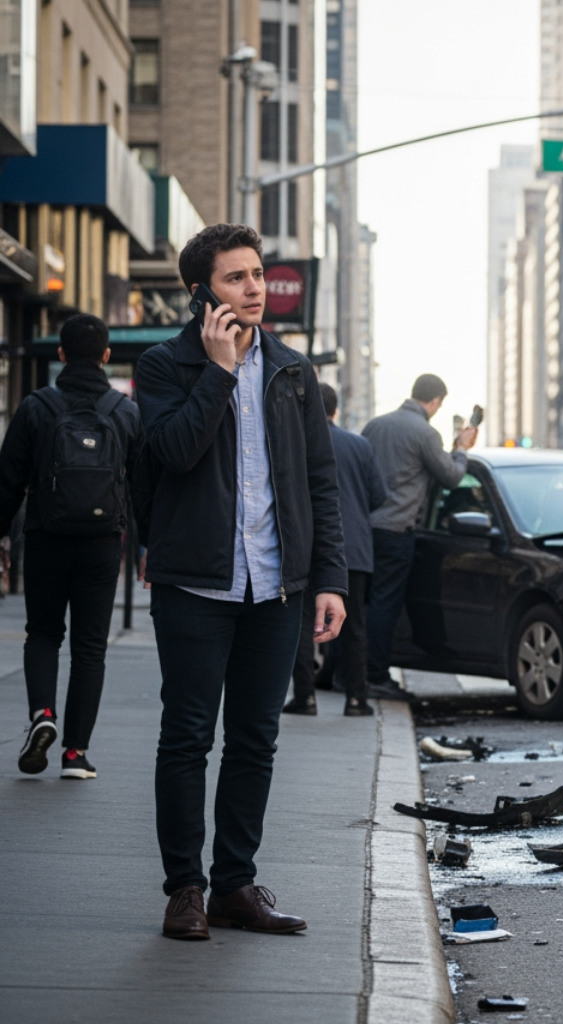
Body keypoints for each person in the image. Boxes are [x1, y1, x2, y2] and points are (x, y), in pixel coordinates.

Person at [136, 223, 347, 940]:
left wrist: (331, 580)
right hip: (195, 585)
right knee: (187, 737)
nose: (255, 288)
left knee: (255, 739)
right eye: (236, 278)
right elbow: (171, 452)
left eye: (258, 275)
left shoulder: (293, 372)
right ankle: (184, 891)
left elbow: (321, 484)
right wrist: (219, 371)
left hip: (275, 589)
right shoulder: (166, 366)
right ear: (201, 291)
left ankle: (235, 883)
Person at [0, 314, 141, 779]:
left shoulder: (36, 407)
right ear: (106, 356)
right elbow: (142, 487)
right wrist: (148, 546)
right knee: (89, 647)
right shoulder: (124, 412)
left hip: (44, 538)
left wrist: (2, 535)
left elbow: (8, 483)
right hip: (102, 545)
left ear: (60, 355)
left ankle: (43, 714)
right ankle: (76, 755)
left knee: (43, 633)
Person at [362, 374, 476, 700]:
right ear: (436, 401)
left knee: (361, 605)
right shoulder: (425, 432)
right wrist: (461, 448)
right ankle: (376, 677)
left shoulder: (375, 426)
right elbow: (452, 477)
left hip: (364, 528)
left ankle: (350, 675)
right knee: (385, 605)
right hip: (397, 531)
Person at [285, 383, 386, 717]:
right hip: (354, 548)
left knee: (301, 624)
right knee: (355, 627)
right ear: (336, 410)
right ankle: (357, 699)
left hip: (305, 546)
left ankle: (305, 697)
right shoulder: (360, 445)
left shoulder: (296, 443)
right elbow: (378, 496)